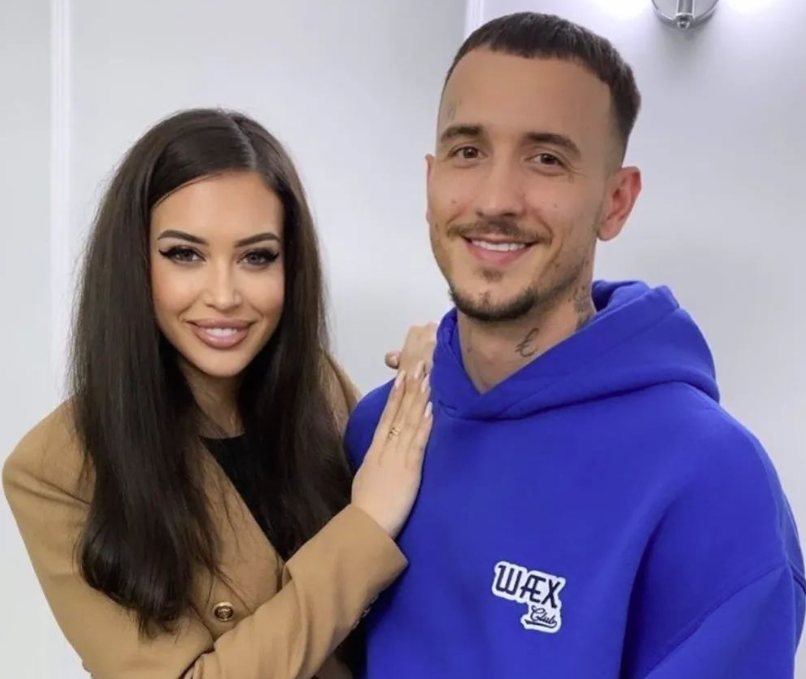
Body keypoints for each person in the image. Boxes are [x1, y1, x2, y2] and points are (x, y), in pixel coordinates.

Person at [345, 12, 805, 678]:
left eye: (547, 159)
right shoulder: (377, 431)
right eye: (468, 151)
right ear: (430, 180)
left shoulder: (713, 483)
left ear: (615, 202)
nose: (496, 199)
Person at [3, 108, 437, 679]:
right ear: (133, 263)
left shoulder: (319, 387)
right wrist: (367, 525)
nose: (225, 295)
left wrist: (436, 378)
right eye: (185, 254)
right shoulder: (57, 470)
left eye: (257, 256)